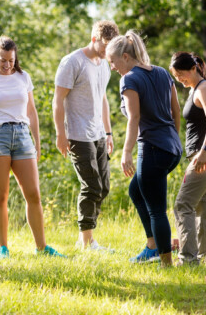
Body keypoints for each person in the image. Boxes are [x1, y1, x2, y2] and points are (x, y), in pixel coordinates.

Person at [0, 35, 64, 259]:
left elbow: (31, 112)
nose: (7, 64)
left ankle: (42, 248)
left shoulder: (23, 77)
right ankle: (3, 248)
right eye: (3, 60)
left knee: (33, 194)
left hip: (22, 137)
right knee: (0, 196)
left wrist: (37, 143)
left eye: (11, 60)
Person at [105, 30, 182, 267]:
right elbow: (176, 111)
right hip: (171, 148)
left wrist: (126, 152)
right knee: (137, 190)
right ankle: (152, 246)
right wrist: (174, 139)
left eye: (113, 62)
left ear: (126, 57)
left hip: (152, 149)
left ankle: (165, 262)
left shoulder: (129, 79)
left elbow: (134, 117)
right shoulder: (161, 72)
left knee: (157, 209)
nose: (113, 68)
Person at [52, 21, 119, 251]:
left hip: (98, 133)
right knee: (91, 186)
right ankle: (87, 240)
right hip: (78, 134)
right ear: (94, 39)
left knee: (104, 187)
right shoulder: (72, 62)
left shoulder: (105, 65)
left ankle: (84, 239)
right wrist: (61, 134)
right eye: (105, 46)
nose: (107, 51)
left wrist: (108, 132)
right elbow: (58, 100)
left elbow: (102, 99)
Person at [170, 52, 206, 265]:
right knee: (204, 207)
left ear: (193, 69)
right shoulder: (196, 89)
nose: (179, 79)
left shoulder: (204, 89)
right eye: (176, 76)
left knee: (182, 205)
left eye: (181, 74)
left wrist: (204, 151)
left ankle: (188, 259)